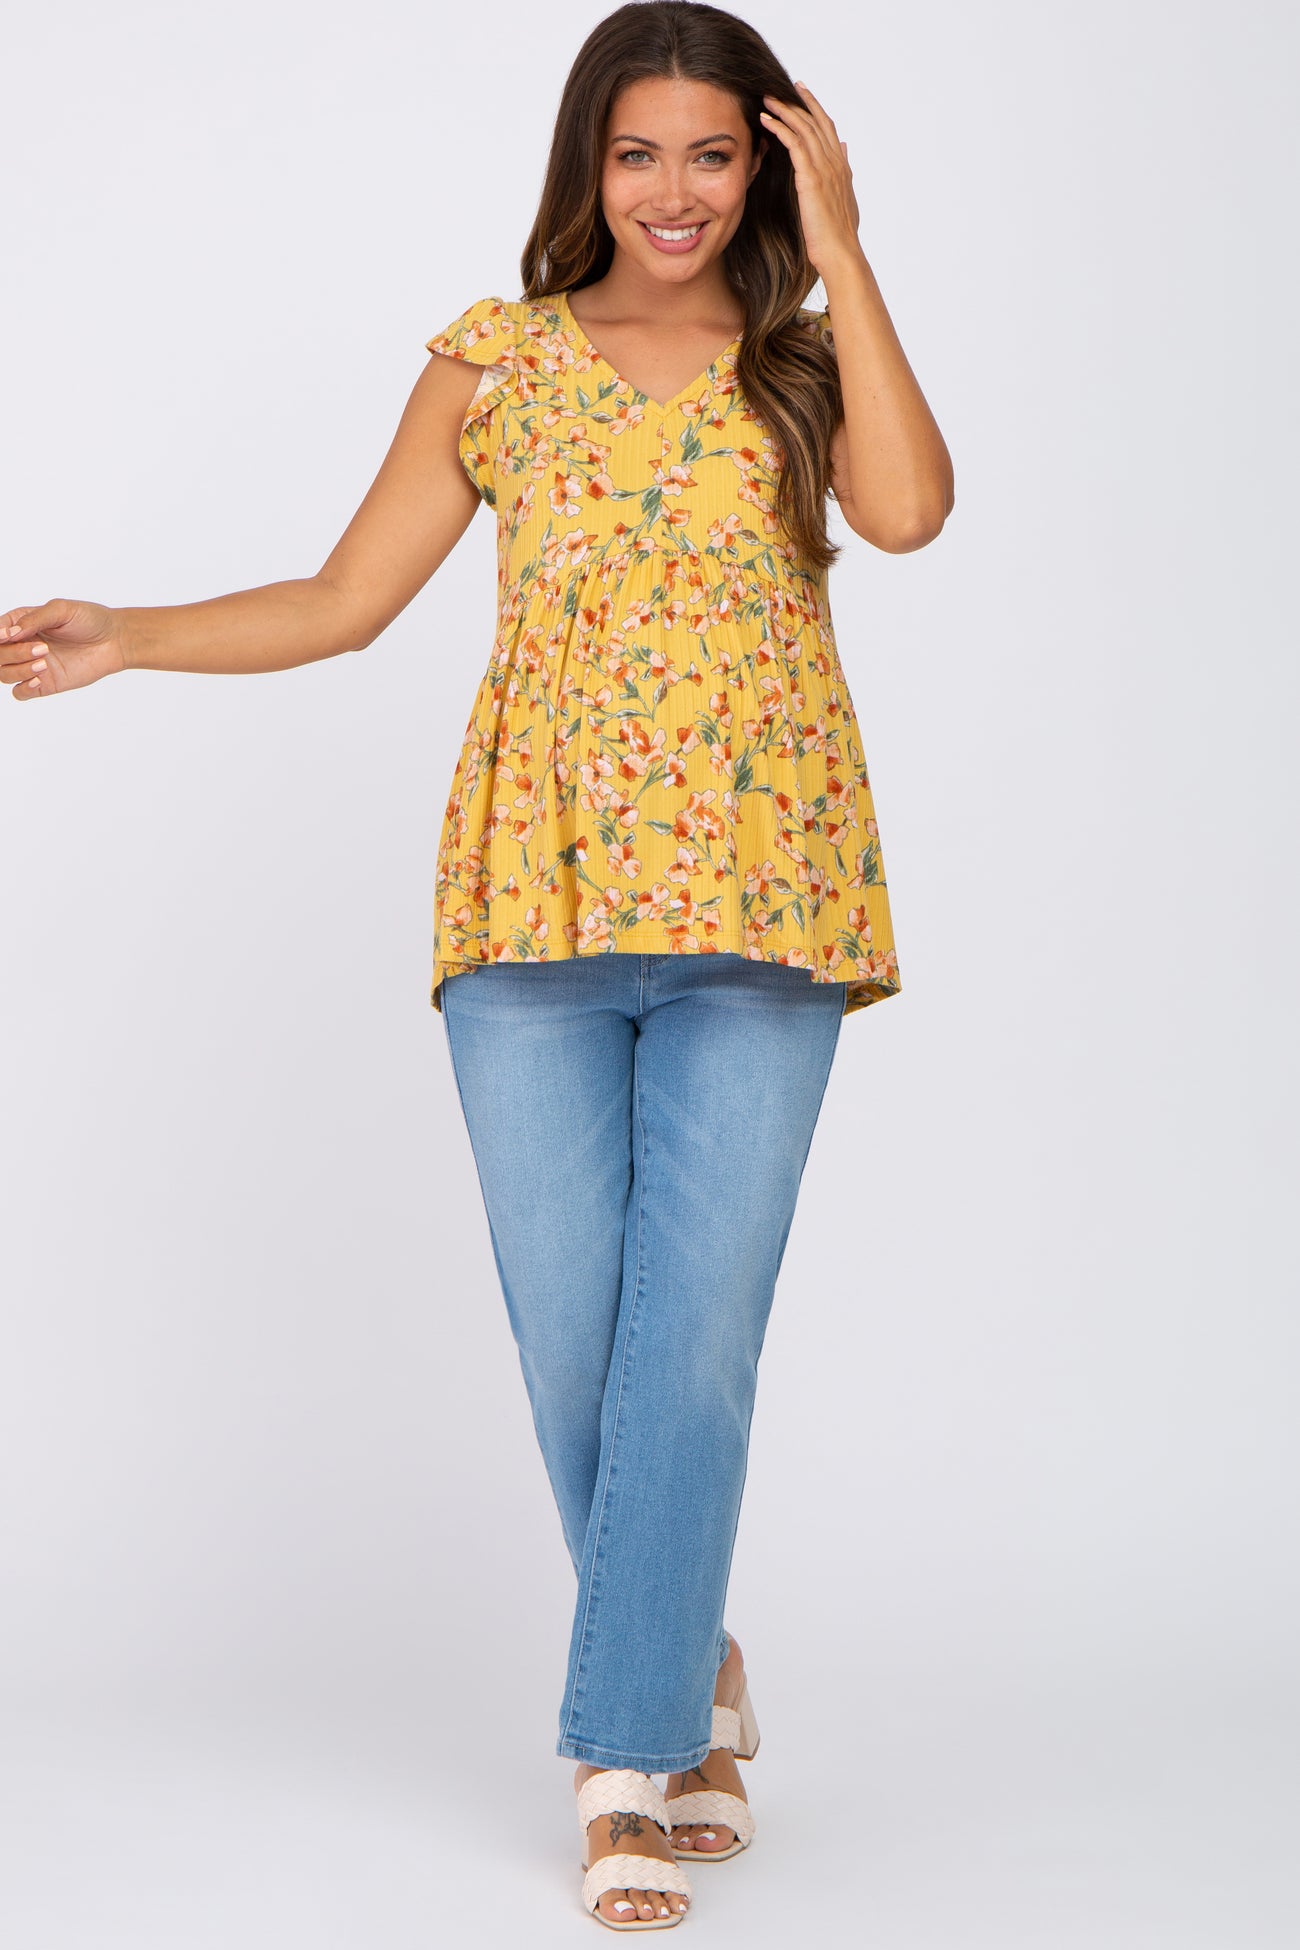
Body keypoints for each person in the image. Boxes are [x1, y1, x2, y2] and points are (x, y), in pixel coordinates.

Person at [2, 0, 952, 1929]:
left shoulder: (802, 357)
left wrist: (846, 247)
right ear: (587, 164)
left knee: (694, 1336)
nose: (675, 191)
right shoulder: (494, 358)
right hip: (530, 903)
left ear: (767, 163)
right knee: (579, 1339)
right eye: (639, 151)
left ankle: (628, 1759)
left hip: (765, 905)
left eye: (715, 153)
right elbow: (348, 599)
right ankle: (692, 1661)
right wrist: (131, 633)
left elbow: (912, 512)